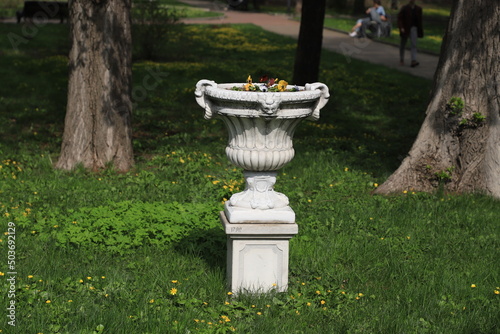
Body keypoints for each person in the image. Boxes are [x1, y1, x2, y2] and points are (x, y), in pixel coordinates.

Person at [398, 0, 423, 67]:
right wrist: (401, 27)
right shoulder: (405, 8)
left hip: (413, 28)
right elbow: (400, 18)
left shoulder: (418, 9)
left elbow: (419, 21)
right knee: (403, 44)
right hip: (405, 28)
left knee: (413, 44)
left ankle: (413, 60)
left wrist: (420, 30)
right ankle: (401, 59)